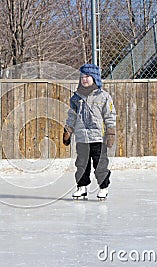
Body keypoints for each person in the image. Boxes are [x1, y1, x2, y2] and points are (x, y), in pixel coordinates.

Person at [63, 63, 116, 200]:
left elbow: (110, 115)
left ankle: (103, 187)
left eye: (87, 76)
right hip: (82, 138)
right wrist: (68, 130)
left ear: (95, 78)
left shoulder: (103, 96)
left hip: (98, 138)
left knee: (100, 164)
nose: (84, 79)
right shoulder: (76, 97)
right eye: (82, 77)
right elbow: (72, 115)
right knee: (81, 164)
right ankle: (82, 187)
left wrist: (110, 132)